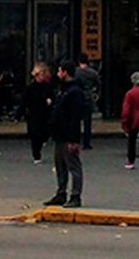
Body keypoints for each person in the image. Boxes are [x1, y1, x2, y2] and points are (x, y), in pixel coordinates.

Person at [44, 60, 86, 208]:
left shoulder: (74, 92)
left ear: (65, 72)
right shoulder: (63, 89)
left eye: (60, 71)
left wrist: (74, 139)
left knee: (73, 166)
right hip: (59, 134)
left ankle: (75, 195)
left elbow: (75, 116)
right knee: (60, 165)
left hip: (68, 135)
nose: (58, 74)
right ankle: (61, 193)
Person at [23, 62, 54, 164]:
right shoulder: (30, 88)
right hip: (34, 114)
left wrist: (50, 101)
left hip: (45, 113)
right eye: (41, 75)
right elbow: (25, 101)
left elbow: (53, 97)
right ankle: (36, 155)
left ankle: (42, 143)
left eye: (44, 75)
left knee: (44, 133)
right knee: (35, 135)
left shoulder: (48, 87)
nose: (42, 77)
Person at [75, 55, 100, 149]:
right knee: (87, 122)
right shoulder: (93, 73)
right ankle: (86, 142)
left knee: (76, 120)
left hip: (77, 97)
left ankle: (76, 139)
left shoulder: (75, 72)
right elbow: (98, 84)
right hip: (88, 97)